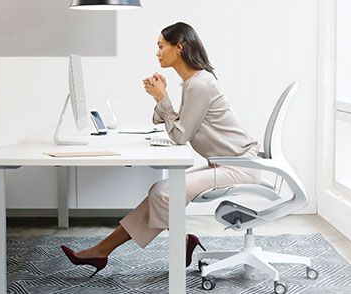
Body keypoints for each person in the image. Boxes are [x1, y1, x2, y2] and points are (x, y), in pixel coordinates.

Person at [61, 22, 260, 278]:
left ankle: (161, 245)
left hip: (239, 166)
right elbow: (177, 124)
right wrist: (162, 98)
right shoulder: (193, 83)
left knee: (163, 193)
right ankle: (103, 250)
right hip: (224, 162)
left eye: (160, 46)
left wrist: (161, 97)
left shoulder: (199, 84)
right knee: (161, 192)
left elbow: (179, 135)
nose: (157, 53)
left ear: (179, 47)